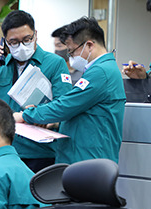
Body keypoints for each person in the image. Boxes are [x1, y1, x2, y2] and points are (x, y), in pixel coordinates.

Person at [0, 10, 72, 173]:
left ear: (35, 35)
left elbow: (64, 105)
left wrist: (45, 117)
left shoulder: (54, 64)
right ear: (4, 42)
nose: (22, 46)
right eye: (14, 42)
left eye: (27, 39)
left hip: (37, 153)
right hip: (1, 150)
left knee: (32, 197)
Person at [14, 17, 125, 164]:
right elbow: (82, 112)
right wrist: (53, 123)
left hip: (89, 159)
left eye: (72, 51)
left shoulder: (101, 72)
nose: (70, 57)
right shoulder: (101, 70)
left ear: (89, 45)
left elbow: (65, 105)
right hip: (84, 157)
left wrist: (26, 115)